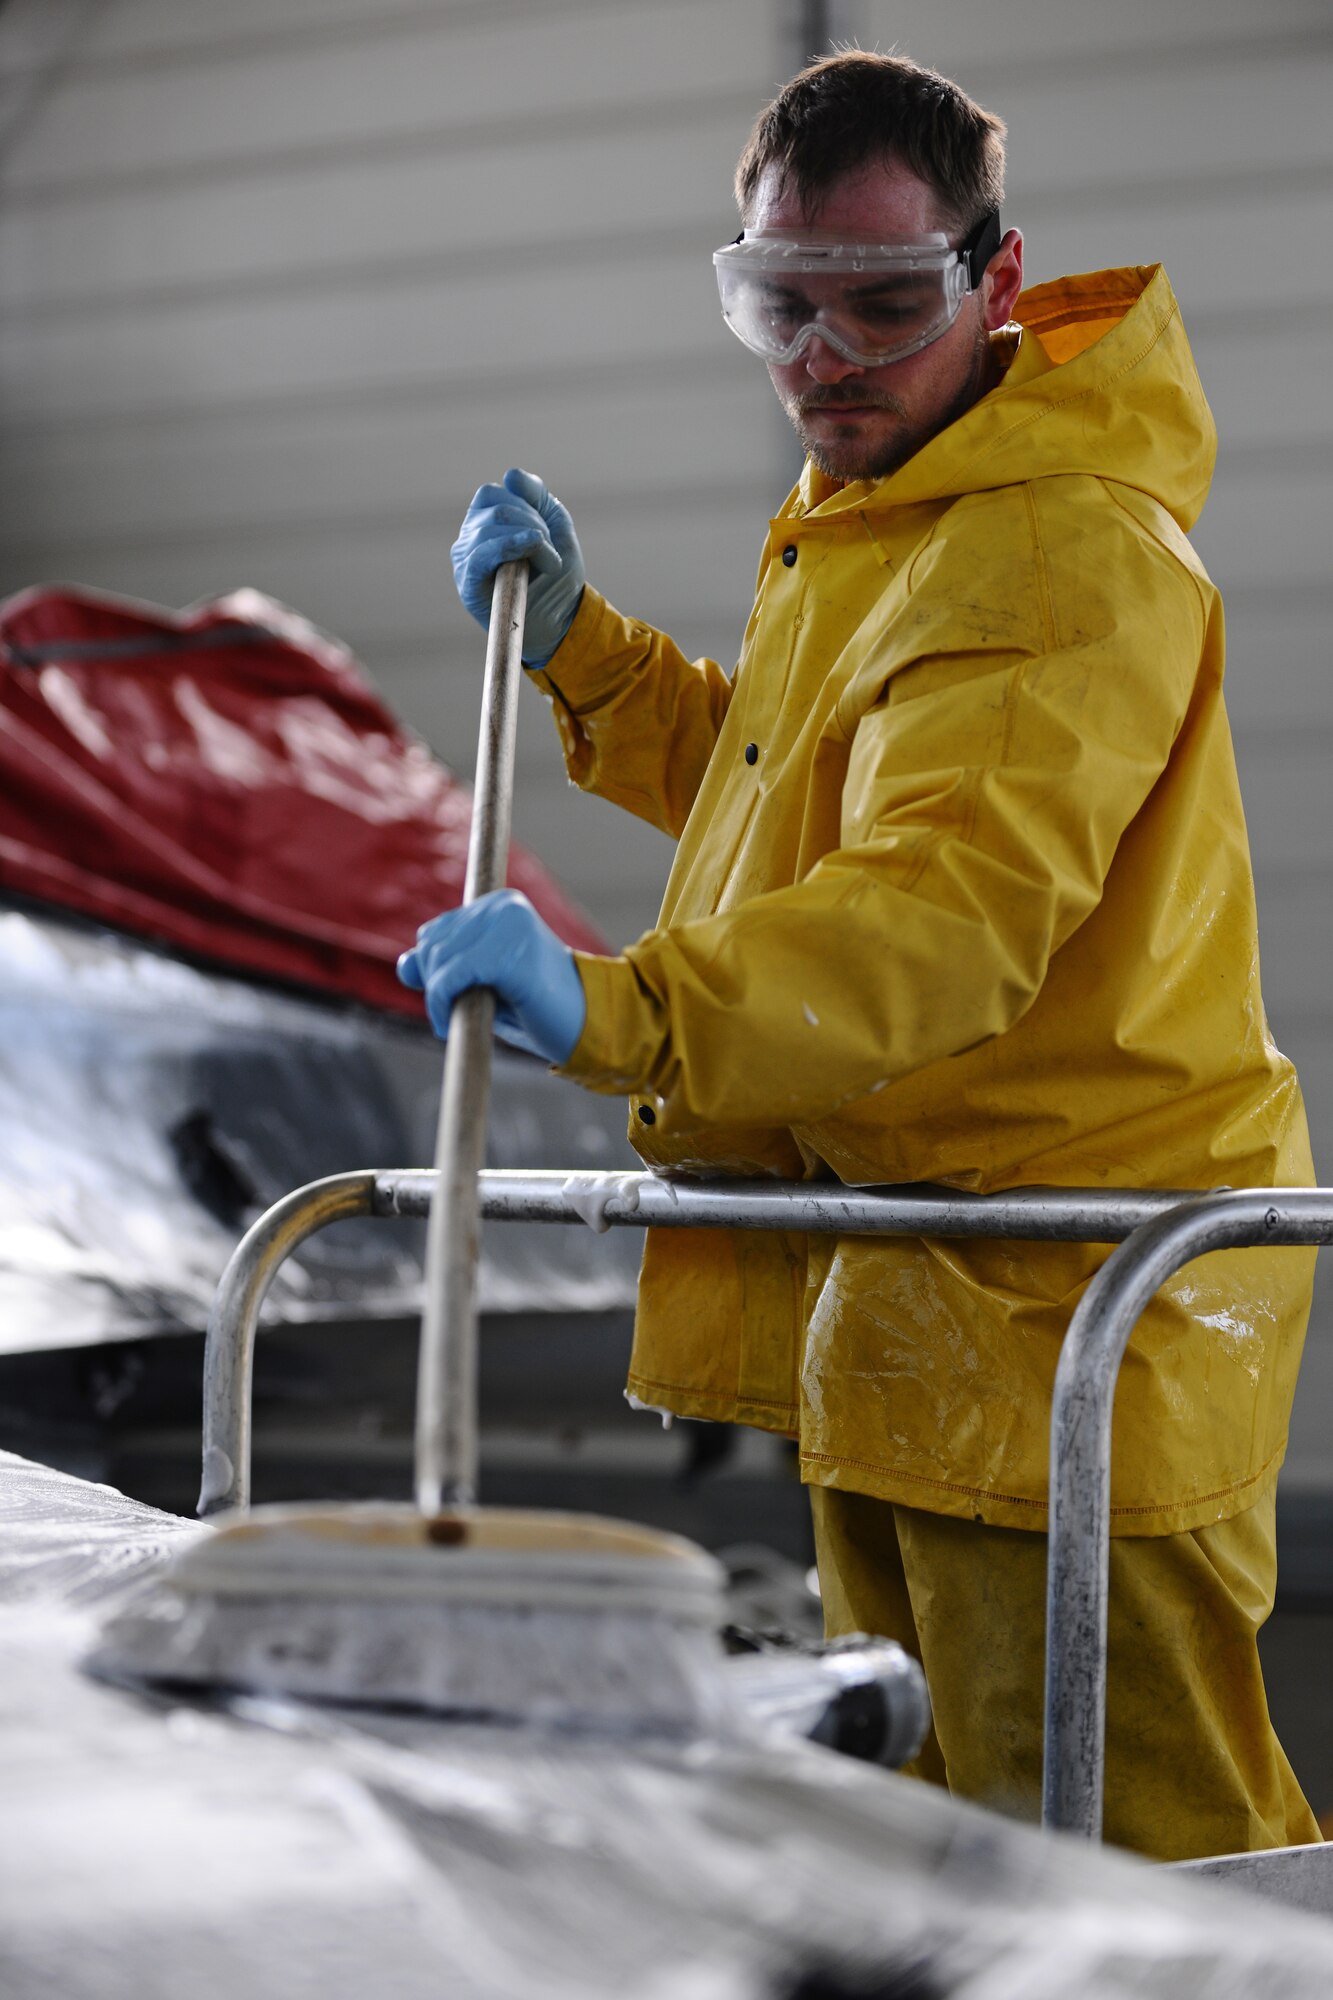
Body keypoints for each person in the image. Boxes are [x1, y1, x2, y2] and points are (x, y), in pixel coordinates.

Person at [399, 52, 1320, 1860]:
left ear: (997, 275)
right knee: (935, 1849)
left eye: (884, 303)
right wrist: (589, 653)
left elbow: (937, 915)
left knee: (1132, 1871)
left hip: (1060, 1305)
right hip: (918, 1290)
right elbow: (790, 782)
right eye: (776, 305)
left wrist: (624, 1010)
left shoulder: (1052, 547)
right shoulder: (897, 510)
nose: (822, 358)